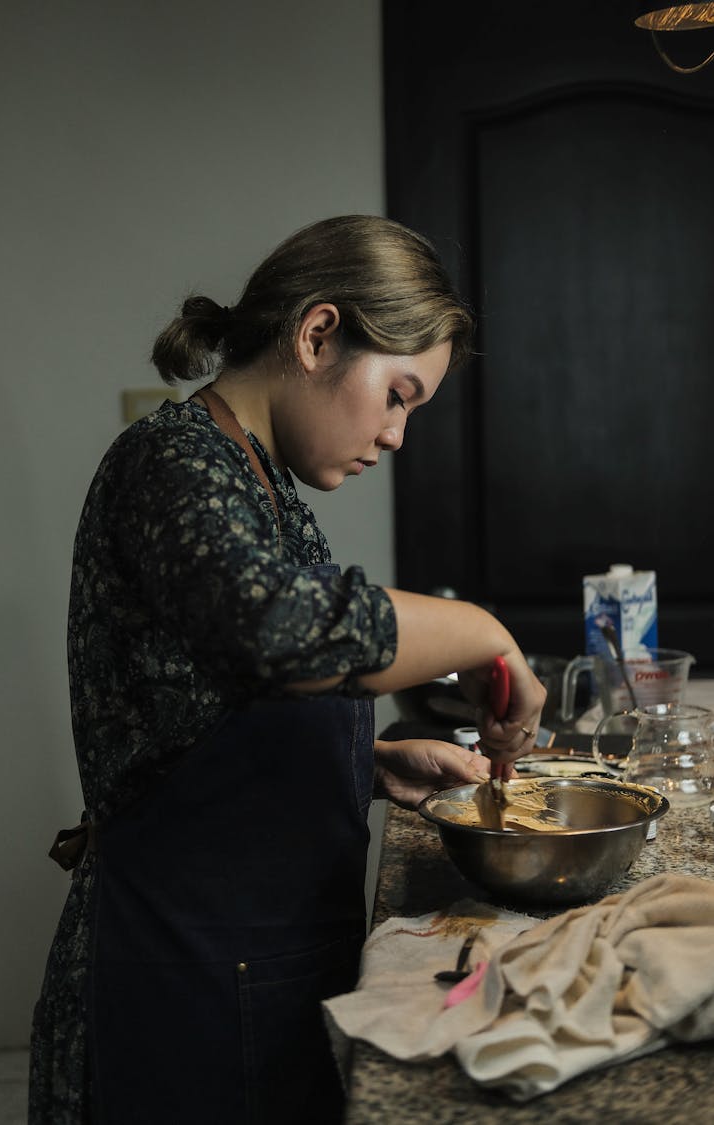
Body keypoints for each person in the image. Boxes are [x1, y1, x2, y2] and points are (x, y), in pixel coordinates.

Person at [28, 214, 546, 1125]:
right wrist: (481, 628)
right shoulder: (174, 460)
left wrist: (369, 765)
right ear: (317, 335)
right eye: (397, 393)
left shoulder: (263, 484)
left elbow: (214, 710)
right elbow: (273, 628)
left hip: (254, 962)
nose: (396, 434)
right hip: (181, 975)